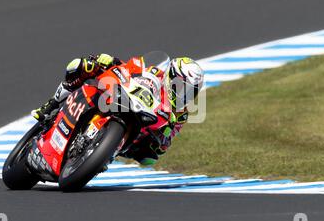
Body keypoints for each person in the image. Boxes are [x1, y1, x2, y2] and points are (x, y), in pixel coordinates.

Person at [31, 53, 204, 166]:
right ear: (170, 76)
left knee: (149, 159)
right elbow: (133, 66)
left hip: (138, 131)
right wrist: (111, 61)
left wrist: (163, 137)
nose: (184, 93)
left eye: (190, 91)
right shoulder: (155, 72)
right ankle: (52, 104)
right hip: (121, 98)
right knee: (82, 66)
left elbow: (164, 145)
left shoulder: (180, 115)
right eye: (181, 86)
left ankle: (99, 155)